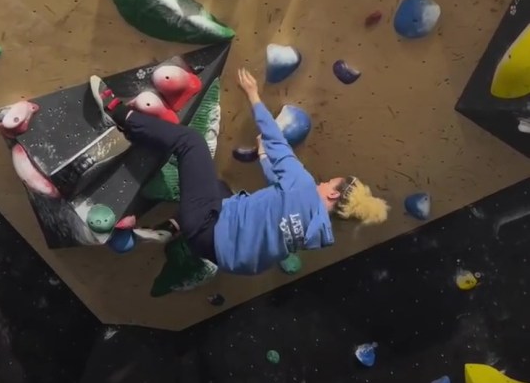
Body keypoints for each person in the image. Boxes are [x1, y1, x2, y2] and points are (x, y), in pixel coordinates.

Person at [89, 68, 389, 275]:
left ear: (334, 193)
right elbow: (278, 196)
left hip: (208, 226)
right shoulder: (313, 233)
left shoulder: (302, 185)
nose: (323, 181)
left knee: (189, 142)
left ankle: (117, 112)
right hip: (219, 254)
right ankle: (170, 230)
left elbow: (276, 140)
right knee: (221, 189)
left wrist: (253, 95)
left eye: (329, 182)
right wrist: (261, 155)